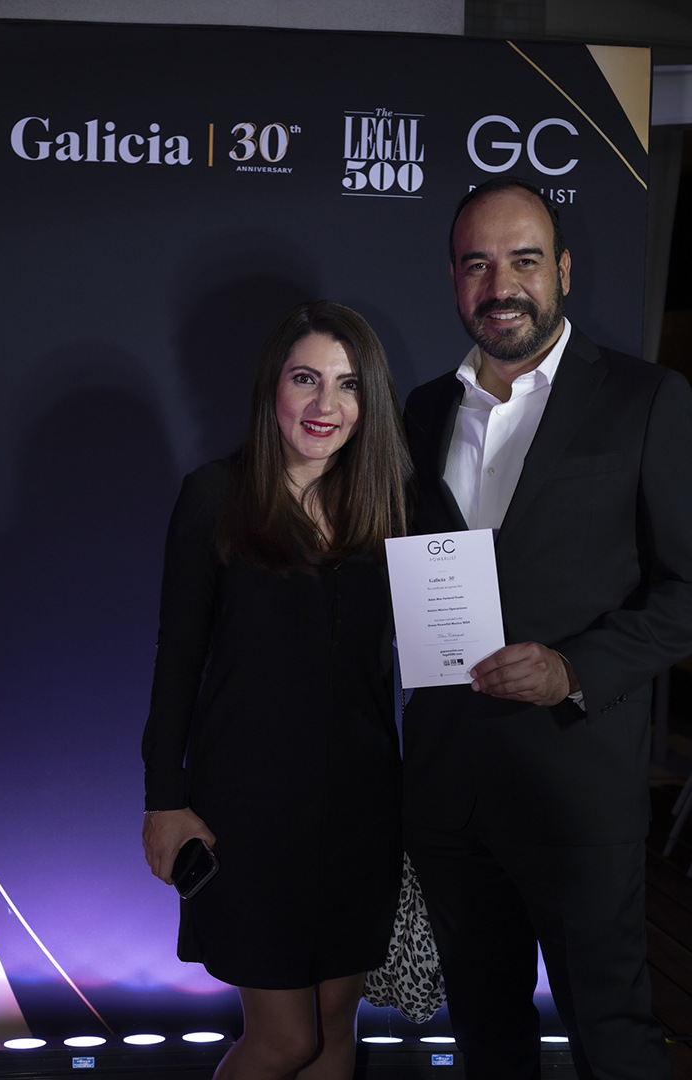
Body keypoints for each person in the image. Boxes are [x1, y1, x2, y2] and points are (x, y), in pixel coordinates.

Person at [402, 176, 692, 1080]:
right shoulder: (420, 410)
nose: (501, 286)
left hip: (576, 789)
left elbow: (686, 590)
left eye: (523, 260)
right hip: (450, 792)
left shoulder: (646, 398)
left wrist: (572, 668)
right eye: (476, 264)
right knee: (486, 1043)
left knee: (611, 1039)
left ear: (562, 270)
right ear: (453, 278)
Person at [142, 299, 412, 1080]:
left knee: (333, 1032)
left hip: (362, 809)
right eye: (306, 379)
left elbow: (443, 646)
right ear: (272, 388)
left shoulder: (395, 506)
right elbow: (176, 660)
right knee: (285, 1040)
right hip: (249, 813)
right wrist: (164, 799)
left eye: (348, 385)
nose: (326, 405)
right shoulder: (214, 496)